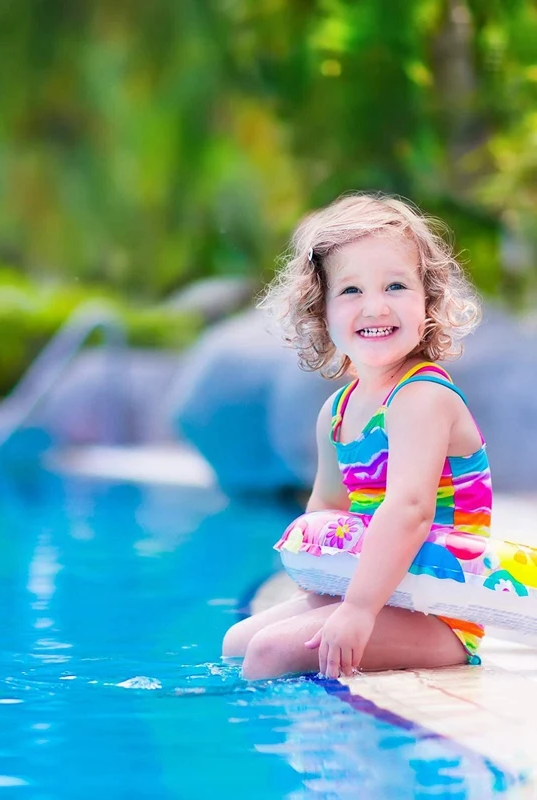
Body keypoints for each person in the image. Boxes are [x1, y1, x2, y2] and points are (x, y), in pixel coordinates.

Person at [222, 193, 490, 681]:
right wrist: (322, 595)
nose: (375, 306)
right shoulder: (337, 411)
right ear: (319, 310)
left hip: (439, 612)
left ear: (428, 302)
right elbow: (326, 509)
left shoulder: (421, 397)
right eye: (350, 291)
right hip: (382, 595)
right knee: (238, 643)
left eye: (395, 285)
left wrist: (359, 611)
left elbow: (411, 510)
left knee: (271, 654)